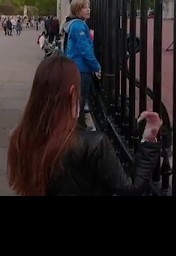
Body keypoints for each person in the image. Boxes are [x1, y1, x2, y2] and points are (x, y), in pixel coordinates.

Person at [6, 55, 162, 196]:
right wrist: (148, 142)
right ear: (73, 91)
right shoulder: (94, 145)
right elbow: (130, 189)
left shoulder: (20, 137)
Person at [62, 0, 101, 129]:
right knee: (80, 98)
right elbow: (85, 50)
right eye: (85, 7)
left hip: (78, 67)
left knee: (79, 98)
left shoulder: (77, 24)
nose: (89, 10)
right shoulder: (78, 25)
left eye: (88, 7)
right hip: (81, 68)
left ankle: (77, 123)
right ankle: (79, 126)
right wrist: (96, 67)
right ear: (77, 10)